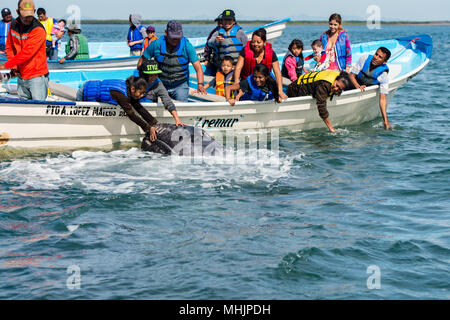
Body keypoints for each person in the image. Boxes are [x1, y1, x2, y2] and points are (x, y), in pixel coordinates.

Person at [139, 20, 207, 102]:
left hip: (180, 84)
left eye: (178, 37)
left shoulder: (187, 46)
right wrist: (139, 79)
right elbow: (142, 60)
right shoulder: (156, 44)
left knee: (181, 105)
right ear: (166, 33)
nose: (175, 40)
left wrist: (200, 84)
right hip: (160, 82)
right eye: (172, 37)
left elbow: (198, 68)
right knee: (146, 99)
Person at [77, 76, 159, 141]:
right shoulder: (120, 94)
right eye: (140, 93)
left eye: (143, 94)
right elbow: (131, 114)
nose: (142, 96)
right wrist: (148, 128)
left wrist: (155, 122)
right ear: (133, 89)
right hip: (85, 92)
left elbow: (139, 108)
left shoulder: (129, 89)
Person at [0, 0, 49, 101]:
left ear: (34, 11)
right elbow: (9, 46)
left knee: (38, 108)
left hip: (37, 77)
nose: (27, 18)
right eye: (24, 15)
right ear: (18, 12)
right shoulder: (14, 25)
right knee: (24, 105)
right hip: (21, 76)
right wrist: (14, 66)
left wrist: (6, 65)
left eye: (30, 15)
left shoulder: (38, 30)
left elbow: (27, 53)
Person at [234, 28, 288, 101]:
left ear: (264, 42)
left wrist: (280, 90)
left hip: (264, 84)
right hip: (248, 84)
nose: (255, 44)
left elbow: (277, 72)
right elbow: (238, 67)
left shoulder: (271, 53)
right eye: (253, 42)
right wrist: (237, 82)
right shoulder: (245, 50)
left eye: (258, 42)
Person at [349, 47, 392, 130]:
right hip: (354, 82)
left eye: (380, 57)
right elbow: (351, 75)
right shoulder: (364, 59)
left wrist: (385, 121)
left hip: (367, 87)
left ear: (384, 62)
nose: (376, 57)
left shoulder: (383, 75)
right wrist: (357, 86)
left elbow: (382, 99)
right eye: (376, 54)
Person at [138, 58, 185, 127]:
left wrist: (177, 120)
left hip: (149, 114)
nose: (154, 78)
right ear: (144, 75)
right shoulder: (136, 81)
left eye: (156, 75)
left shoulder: (158, 85)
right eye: (151, 75)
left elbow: (167, 101)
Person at [206, 9, 247, 76]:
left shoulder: (240, 33)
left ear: (234, 21)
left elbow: (246, 48)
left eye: (229, 20)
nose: (227, 22)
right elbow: (209, 43)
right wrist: (215, 41)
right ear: (222, 21)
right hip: (221, 68)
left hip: (236, 68)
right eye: (225, 20)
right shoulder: (217, 33)